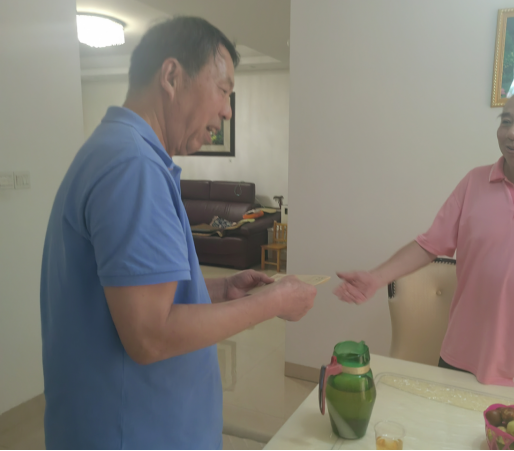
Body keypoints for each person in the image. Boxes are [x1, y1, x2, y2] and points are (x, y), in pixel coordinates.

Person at [40, 17, 316, 450]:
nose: (227, 111)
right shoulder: (134, 167)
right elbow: (151, 335)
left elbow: (134, 294)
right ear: (171, 76)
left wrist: (219, 289)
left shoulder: (115, 151)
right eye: (223, 90)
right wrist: (273, 302)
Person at [335, 86, 514, 399]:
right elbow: (429, 244)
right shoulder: (475, 182)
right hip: (462, 364)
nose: (512, 132)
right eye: (505, 121)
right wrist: (376, 278)